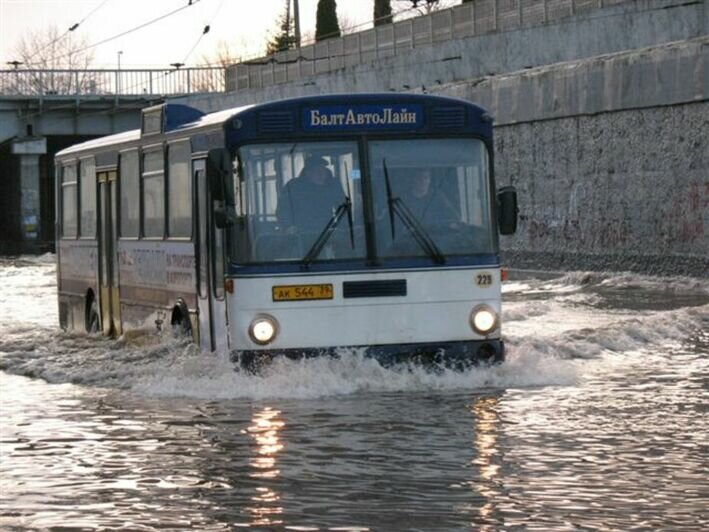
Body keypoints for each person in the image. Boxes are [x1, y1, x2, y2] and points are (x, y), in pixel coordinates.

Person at [276, 156, 345, 235]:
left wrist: (344, 229)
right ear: (307, 173)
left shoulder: (332, 186)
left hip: (326, 233)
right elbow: (283, 209)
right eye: (317, 171)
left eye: (323, 170)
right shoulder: (294, 187)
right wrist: (288, 226)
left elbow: (342, 208)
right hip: (300, 233)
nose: (321, 175)